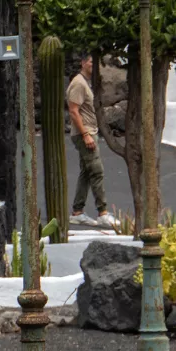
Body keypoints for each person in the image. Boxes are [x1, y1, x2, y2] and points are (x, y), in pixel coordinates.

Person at [66, 54, 116, 228]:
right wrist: (86, 134)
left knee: (86, 173)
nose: (93, 64)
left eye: (95, 62)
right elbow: (73, 110)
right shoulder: (78, 83)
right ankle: (102, 213)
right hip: (84, 133)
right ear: (82, 63)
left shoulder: (85, 82)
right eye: (90, 61)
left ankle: (77, 212)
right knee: (97, 171)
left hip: (87, 132)